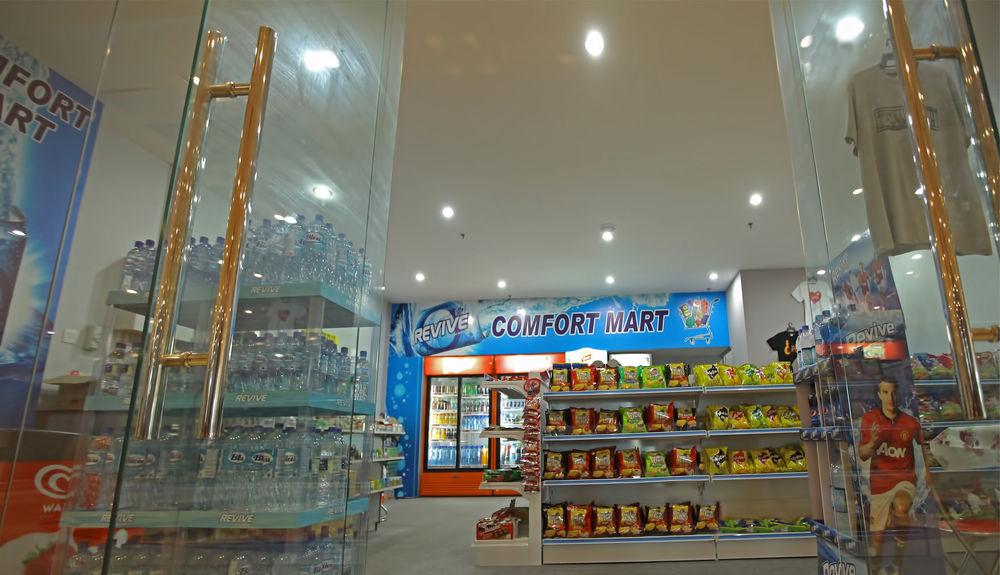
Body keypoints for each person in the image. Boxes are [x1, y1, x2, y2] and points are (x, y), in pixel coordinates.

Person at [859, 377, 926, 575]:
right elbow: (863, 454)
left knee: (901, 507)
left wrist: (930, 476)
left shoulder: (911, 422)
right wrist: (872, 442)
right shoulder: (869, 419)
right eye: (886, 392)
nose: (891, 397)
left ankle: (898, 560)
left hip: (904, 480)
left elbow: (925, 448)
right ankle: (876, 570)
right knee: (877, 540)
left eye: (894, 392)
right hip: (879, 484)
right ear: (879, 395)